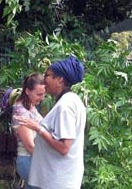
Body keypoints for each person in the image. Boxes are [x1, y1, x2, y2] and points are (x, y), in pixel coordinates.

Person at [16, 55, 86, 189]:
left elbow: (64, 147)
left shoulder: (65, 106)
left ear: (59, 80)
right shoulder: (71, 100)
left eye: (47, 75)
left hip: (58, 180)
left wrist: (38, 129)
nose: (44, 79)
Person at [11, 73, 45, 189]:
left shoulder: (30, 106)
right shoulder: (21, 111)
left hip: (33, 159)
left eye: (43, 94)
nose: (42, 98)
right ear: (27, 91)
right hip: (28, 159)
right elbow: (30, 146)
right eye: (39, 94)